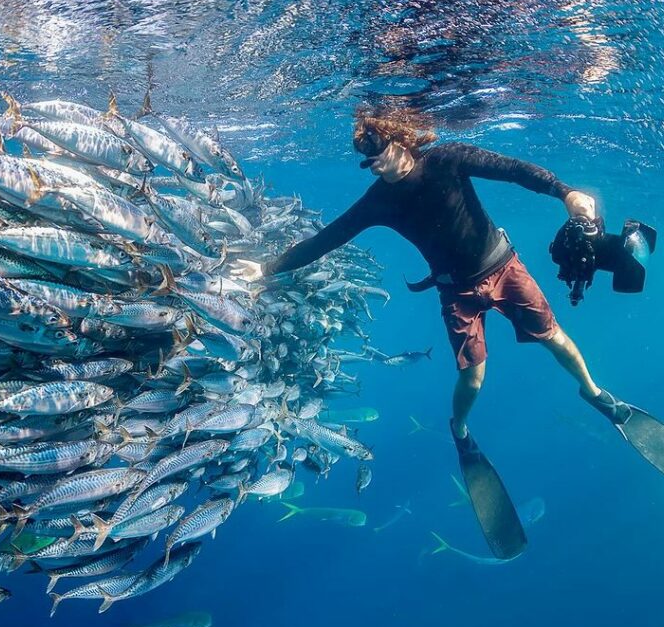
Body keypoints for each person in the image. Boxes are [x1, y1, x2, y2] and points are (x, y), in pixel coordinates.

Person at [231, 106, 638, 557]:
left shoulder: (447, 159)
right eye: (368, 162)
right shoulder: (378, 200)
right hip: (456, 292)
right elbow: (327, 238)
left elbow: (513, 170)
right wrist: (267, 269)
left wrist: (565, 193)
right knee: (474, 377)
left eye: (378, 154)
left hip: (504, 267)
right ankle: (460, 430)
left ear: (399, 140)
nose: (375, 166)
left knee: (553, 337)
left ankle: (593, 392)